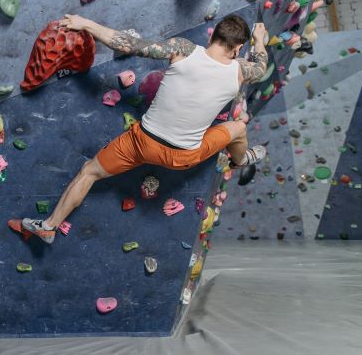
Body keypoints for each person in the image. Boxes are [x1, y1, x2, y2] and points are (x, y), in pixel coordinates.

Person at [22, 13, 269, 244]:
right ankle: (240, 159)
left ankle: (50, 226)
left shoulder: (183, 49)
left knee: (89, 172)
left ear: (214, 35)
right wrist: (259, 42)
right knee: (237, 127)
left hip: (141, 144)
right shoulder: (241, 71)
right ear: (237, 49)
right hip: (183, 156)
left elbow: (128, 44)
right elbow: (261, 66)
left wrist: (85, 23)